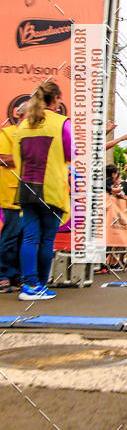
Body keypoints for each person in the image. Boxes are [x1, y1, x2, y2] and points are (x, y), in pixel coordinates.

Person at [13, 81, 70, 300]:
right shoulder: (62, 123)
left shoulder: (24, 125)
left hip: (27, 186)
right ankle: (40, 286)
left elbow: (19, 158)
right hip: (52, 188)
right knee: (47, 240)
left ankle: (29, 285)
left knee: (29, 238)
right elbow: (70, 153)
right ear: (55, 99)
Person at [0, 102, 28, 293]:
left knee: (22, 239)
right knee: (9, 237)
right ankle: (3, 275)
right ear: (19, 115)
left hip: (28, 195)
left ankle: (16, 275)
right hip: (10, 193)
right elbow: (3, 158)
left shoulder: (31, 137)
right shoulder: (6, 133)